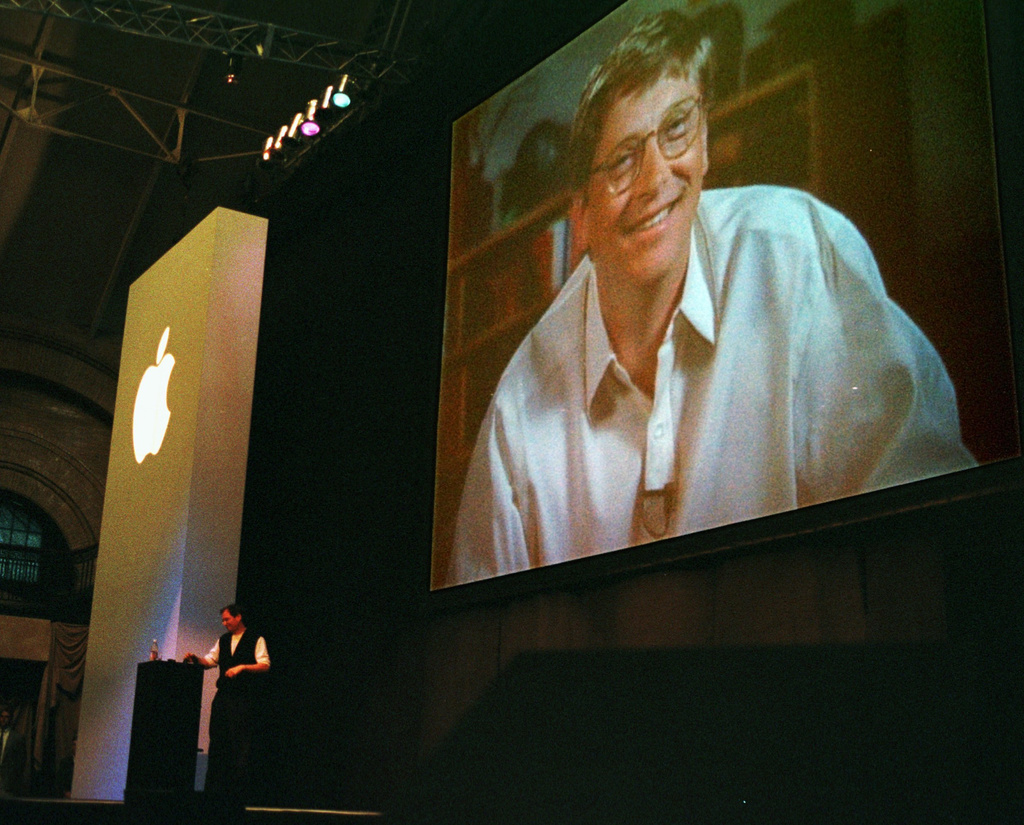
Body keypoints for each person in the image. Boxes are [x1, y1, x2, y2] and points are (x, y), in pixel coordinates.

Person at [447, 10, 976, 587]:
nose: (657, 179)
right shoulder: (519, 408)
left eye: (676, 128)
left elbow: (931, 524)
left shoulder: (795, 253)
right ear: (581, 216)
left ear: (702, 147)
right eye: (623, 159)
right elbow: (484, 619)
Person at [185, 604, 269, 797]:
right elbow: (210, 661)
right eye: (222, 620)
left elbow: (264, 664)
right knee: (218, 742)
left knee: (240, 744)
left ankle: (237, 792)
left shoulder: (256, 638)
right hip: (223, 698)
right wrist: (196, 659)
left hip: (243, 698)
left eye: (227, 619)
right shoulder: (223, 640)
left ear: (238, 617)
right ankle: (214, 792)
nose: (224, 623)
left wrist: (242, 667)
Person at [0, 707, 26, 796]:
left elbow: (21, 762)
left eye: (6, 717)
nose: (3, 719)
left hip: (7, 784)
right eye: (1, 716)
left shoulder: (17, 738)